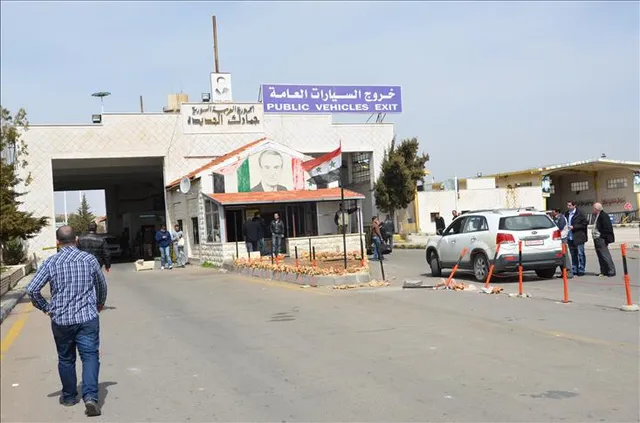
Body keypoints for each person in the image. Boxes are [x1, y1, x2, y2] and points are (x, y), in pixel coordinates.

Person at [26, 226, 107, 417]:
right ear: (76, 239)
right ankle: (90, 397)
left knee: (66, 358)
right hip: (87, 318)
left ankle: (69, 397)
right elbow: (101, 285)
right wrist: (100, 304)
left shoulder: (51, 262)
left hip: (61, 320)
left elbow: (32, 289)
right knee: (90, 356)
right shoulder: (89, 259)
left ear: (57, 242)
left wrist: (46, 308)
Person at [592, 202, 616, 277]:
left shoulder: (603, 216)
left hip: (601, 238)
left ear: (597, 209)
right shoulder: (597, 216)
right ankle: (603, 271)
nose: (593, 210)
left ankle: (611, 271)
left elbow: (607, 228)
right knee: (600, 256)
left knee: (605, 255)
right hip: (596, 238)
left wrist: (602, 236)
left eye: (594, 208)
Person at [565, 200, 588, 277]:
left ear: (574, 206)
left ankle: (581, 269)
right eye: (567, 205)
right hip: (570, 237)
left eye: (570, 205)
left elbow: (585, 223)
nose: (568, 207)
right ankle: (575, 269)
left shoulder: (580, 213)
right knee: (573, 254)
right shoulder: (567, 213)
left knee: (580, 254)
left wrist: (574, 227)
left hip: (579, 236)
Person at [551, 208, 573, 279]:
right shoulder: (555, 218)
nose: (552, 212)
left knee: (564, 255)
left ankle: (568, 272)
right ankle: (563, 272)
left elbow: (559, 227)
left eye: (553, 211)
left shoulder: (561, 218)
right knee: (560, 256)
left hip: (563, 238)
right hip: (558, 239)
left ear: (557, 212)